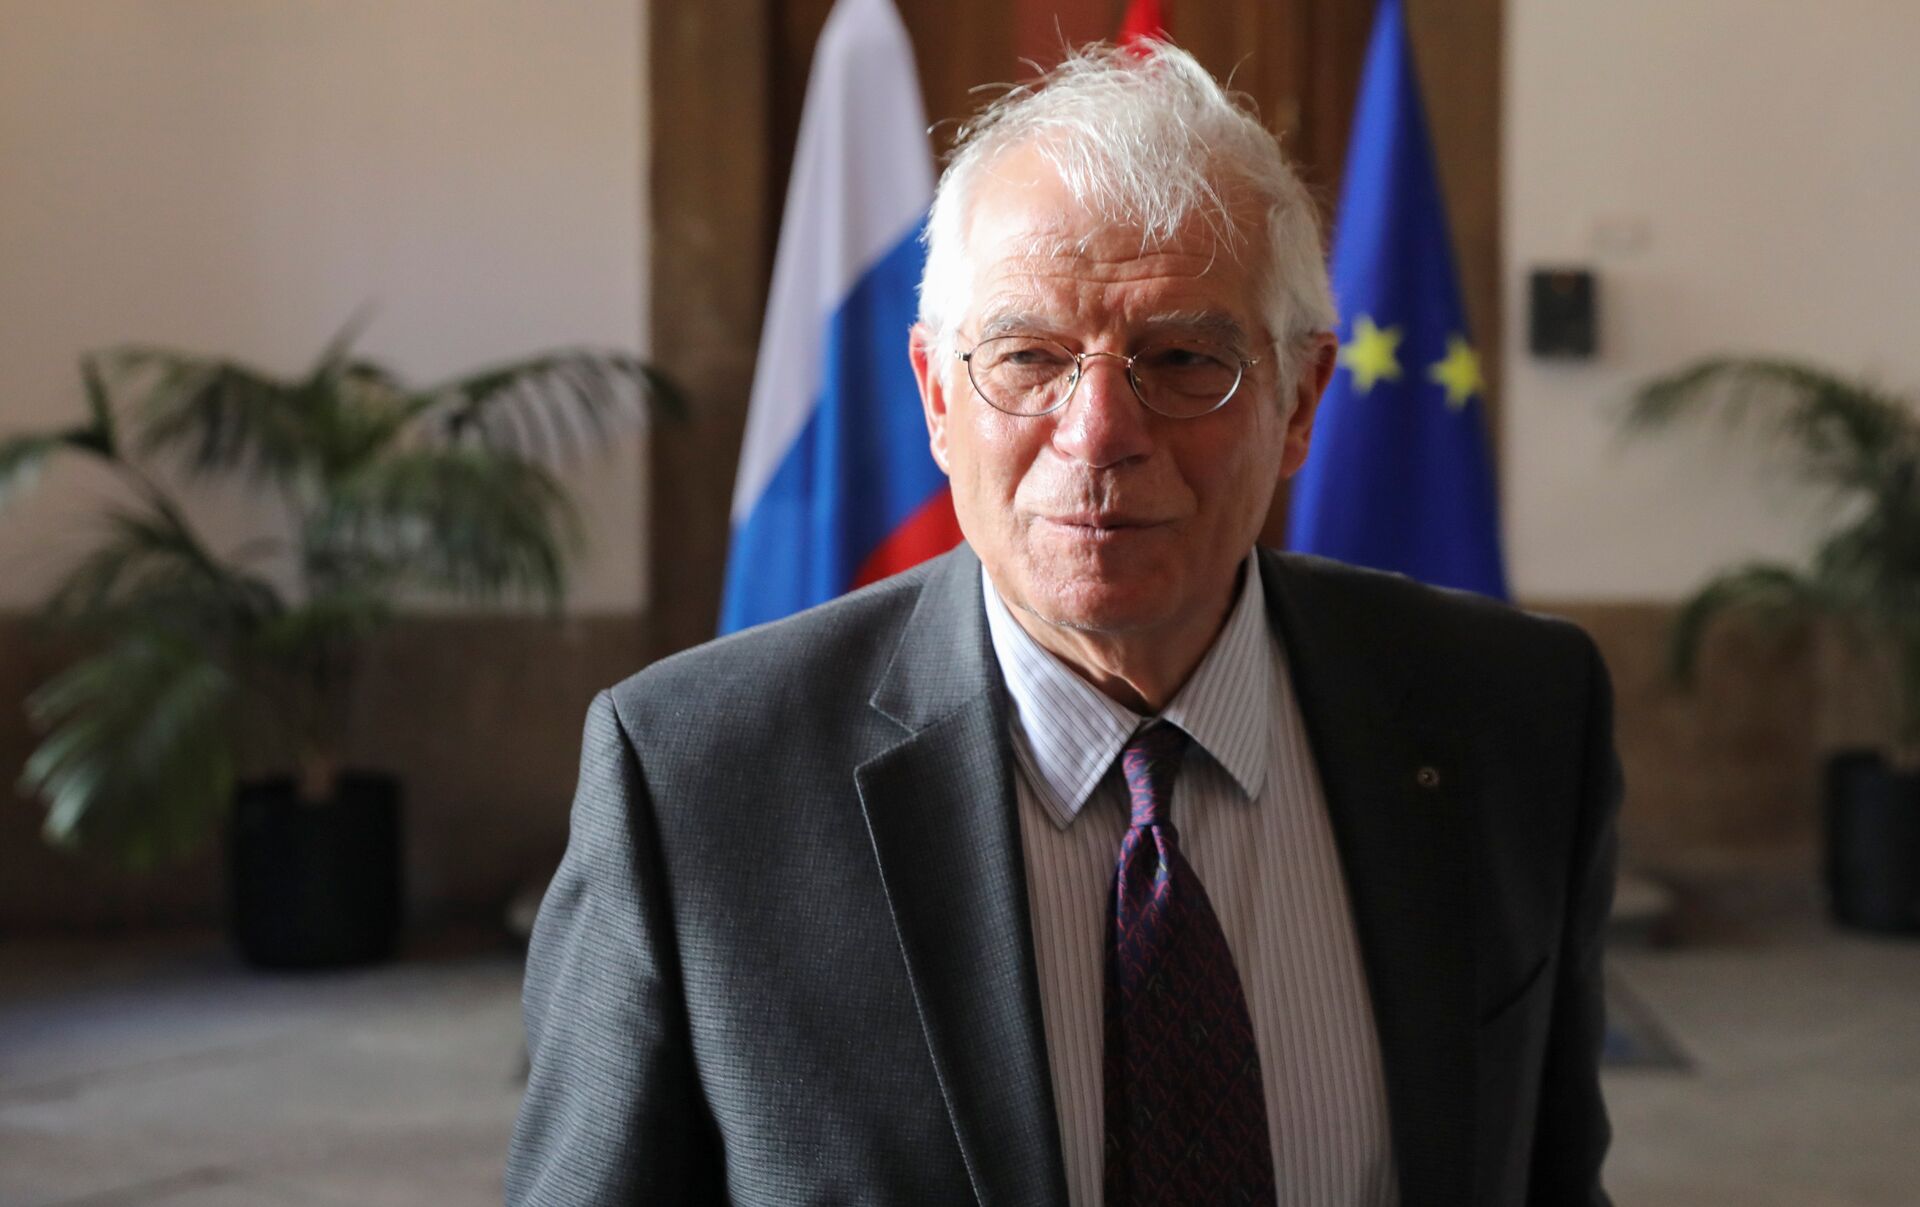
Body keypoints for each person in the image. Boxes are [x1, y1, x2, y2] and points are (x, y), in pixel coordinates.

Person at [507, 41, 1618, 1207]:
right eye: (1030, 357)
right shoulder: (695, 780)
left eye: (1182, 358)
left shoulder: (1516, 717)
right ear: (938, 398)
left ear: (1300, 402)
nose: (1097, 433)